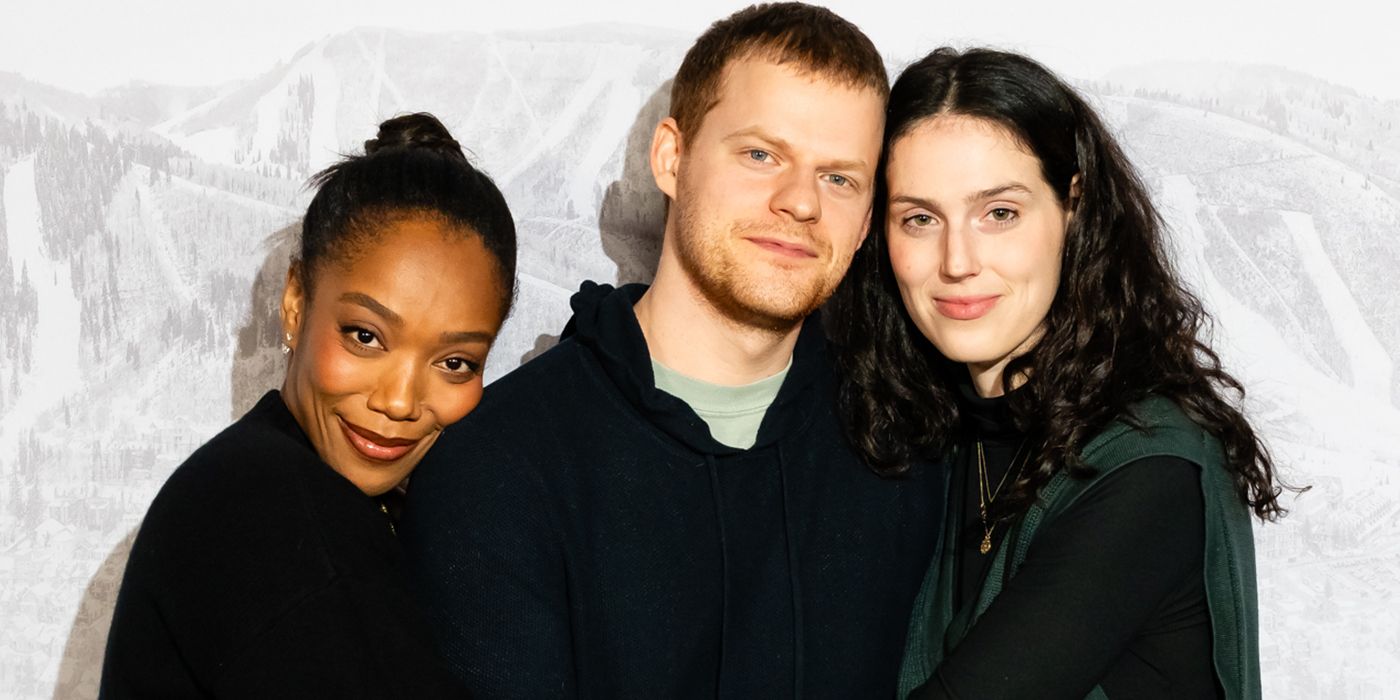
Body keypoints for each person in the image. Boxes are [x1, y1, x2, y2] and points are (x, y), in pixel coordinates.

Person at [399, 4, 944, 697]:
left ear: (868, 218)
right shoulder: (501, 468)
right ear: (671, 157)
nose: (801, 202)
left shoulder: (902, 452)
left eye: (839, 177)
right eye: (760, 154)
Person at [827, 48, 1288, 699]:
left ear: (1073, 209)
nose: (958, 260)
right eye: (921, 218)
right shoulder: (927, 432)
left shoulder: (1148, 467)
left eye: (1000, 213)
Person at [100, 113, 516, 698]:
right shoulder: (282, 526)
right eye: (365, 336)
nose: (399, 402)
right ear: (296, 303)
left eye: (455, 363)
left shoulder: (251, 483)